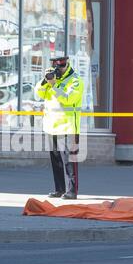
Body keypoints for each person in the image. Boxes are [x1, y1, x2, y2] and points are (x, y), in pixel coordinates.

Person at [34, 56, 84, 200]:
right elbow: (38, 93)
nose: (59, 70)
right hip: (52, 126)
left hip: (68, 127)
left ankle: (72, 191)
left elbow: (69, 99)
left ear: (67, 65)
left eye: (61, 67)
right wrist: (45, 81)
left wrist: (55, 85)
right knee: (56, 160)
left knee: (70, 160)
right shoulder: (51, 80)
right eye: (57, 68)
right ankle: (60, 189)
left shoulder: (75, 80)